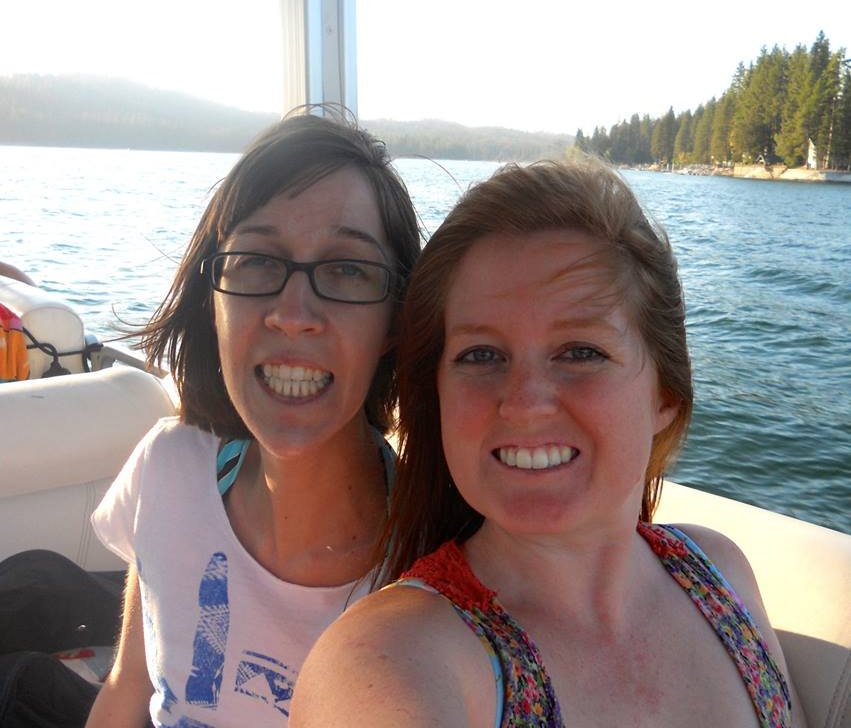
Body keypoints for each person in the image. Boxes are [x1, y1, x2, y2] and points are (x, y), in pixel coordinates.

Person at [291, 156, 807, 728]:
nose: (526, 402)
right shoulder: (389, 662)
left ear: (665, 394)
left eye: (580, 352)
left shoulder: (721, 573)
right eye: (481, 355)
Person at [85, 112, 421, 727]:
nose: (293, 314)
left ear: (396, 322)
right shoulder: (168, 467)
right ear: (212, 299)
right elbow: (127, 689)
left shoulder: (425, 571)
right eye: (259, 260)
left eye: (347, 268)